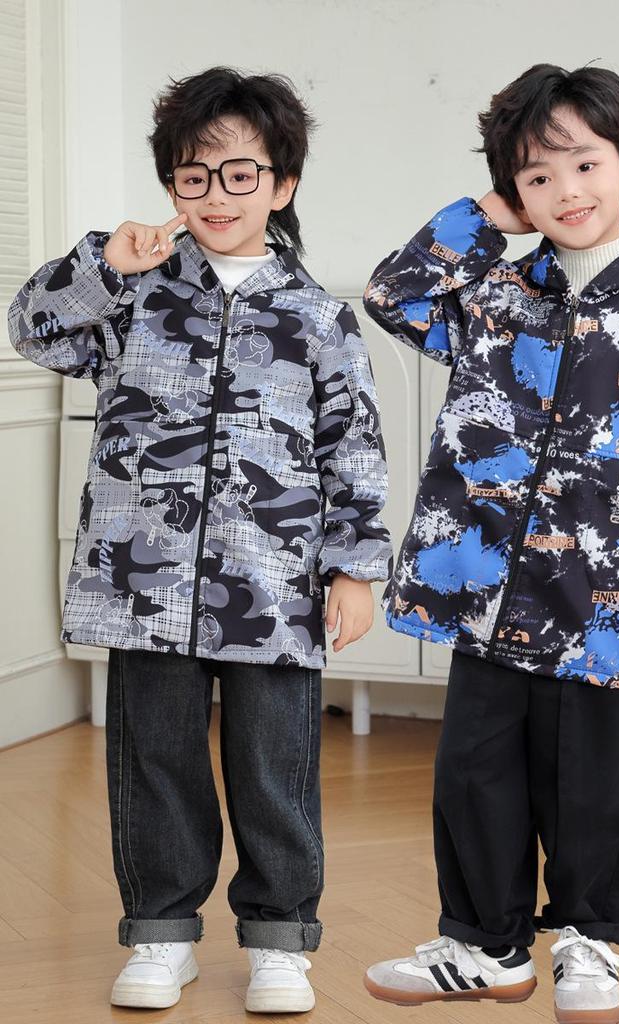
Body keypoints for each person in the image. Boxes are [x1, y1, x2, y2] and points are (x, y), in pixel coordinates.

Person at [8, 66, 392, 1014]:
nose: (217, 195)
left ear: (282, 184)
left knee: (274, 770)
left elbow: (354, 445)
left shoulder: (318, 318)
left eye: (240, 174)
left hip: (274, 584)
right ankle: (161, 933)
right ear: (172, 185)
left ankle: (279, 942)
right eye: (193, 175)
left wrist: (353, 569)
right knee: (155, 762)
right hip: (141, 582)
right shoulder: (132, 295)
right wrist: (105, 261)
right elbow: (32, 330)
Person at [361, 63, 619, 1024]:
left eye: (585, 164)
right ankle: (485, 946)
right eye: (537, 175)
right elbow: (392, 295)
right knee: (474, 772)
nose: (565, 190)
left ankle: (589, 944)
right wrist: (486, 218)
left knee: (601, 785)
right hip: (485, 590)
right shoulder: (493, 295)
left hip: (608, 606)